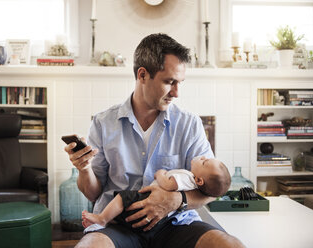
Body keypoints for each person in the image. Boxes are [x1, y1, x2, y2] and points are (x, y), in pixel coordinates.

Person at [65, 33, 244, 248]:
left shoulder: (189, 124)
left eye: (180, 83)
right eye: (169, 82)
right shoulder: (103, 123)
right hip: (117, 224)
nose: (176, 93)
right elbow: (92, 192)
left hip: (175, 222)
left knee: (230, 245)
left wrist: (178, 200)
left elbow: (212, 191)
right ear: (142, 75)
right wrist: (84, 169)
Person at [81, 156, 231, 231]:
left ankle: (102, 219)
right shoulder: (192, 181)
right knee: (127, 212)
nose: (203, 157)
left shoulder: (187, 178)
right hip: (158, 215)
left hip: (149, 198)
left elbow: (168, 184)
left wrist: (160, 173)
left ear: (199, 180)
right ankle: (112, 220)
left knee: (123, 197)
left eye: (204, 162)